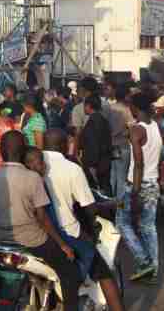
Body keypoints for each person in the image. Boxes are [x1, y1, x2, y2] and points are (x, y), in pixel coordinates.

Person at [0, 132, 81, 311]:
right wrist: (63, 245)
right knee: (69, 272)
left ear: (2, 151)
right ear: (22, 152)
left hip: (1, 240)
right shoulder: (32, 178)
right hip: (32, 240)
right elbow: (42, 218)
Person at [38, 129, 125, 311]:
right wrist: (107, 206)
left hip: (35, 234)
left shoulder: (31, 163)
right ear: (63, 146)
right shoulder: (71, 169)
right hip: (67, 232)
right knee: (103, 273)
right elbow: (89, 207)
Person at [117, 93, 162, 284]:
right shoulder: (155, 126)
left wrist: (134, 191)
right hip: (153, 183)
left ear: (136, 108)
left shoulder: (137, 129)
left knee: (122, 223)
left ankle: (144, 261)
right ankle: (153, 269)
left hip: (137, 184)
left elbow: (138, 164)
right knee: (148, 227)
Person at [107, 84, 134, 199]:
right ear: (126, 96)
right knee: (122, 177)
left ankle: (110, 204)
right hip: (122, 145)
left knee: (112, 177)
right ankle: (120, 206)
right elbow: (132, 128)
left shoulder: (108, 108)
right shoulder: (126, 110)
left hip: (109, 146)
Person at [80, 96, 113, 192]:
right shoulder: (103, 120)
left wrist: (92, 166)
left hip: (97, 164)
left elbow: (93, 145)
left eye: (84, 106)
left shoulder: (93, 121)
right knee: (106, 188)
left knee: (99, 191)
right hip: (104, 161)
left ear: (88, 106)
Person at [69, 77, 102, 155]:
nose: (76, 91)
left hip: (87, 150)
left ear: (84, 90)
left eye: (78, 88)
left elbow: (77, 132)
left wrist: (75, 153)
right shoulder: (107, 105)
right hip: (104, 150)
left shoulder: (78, 108)